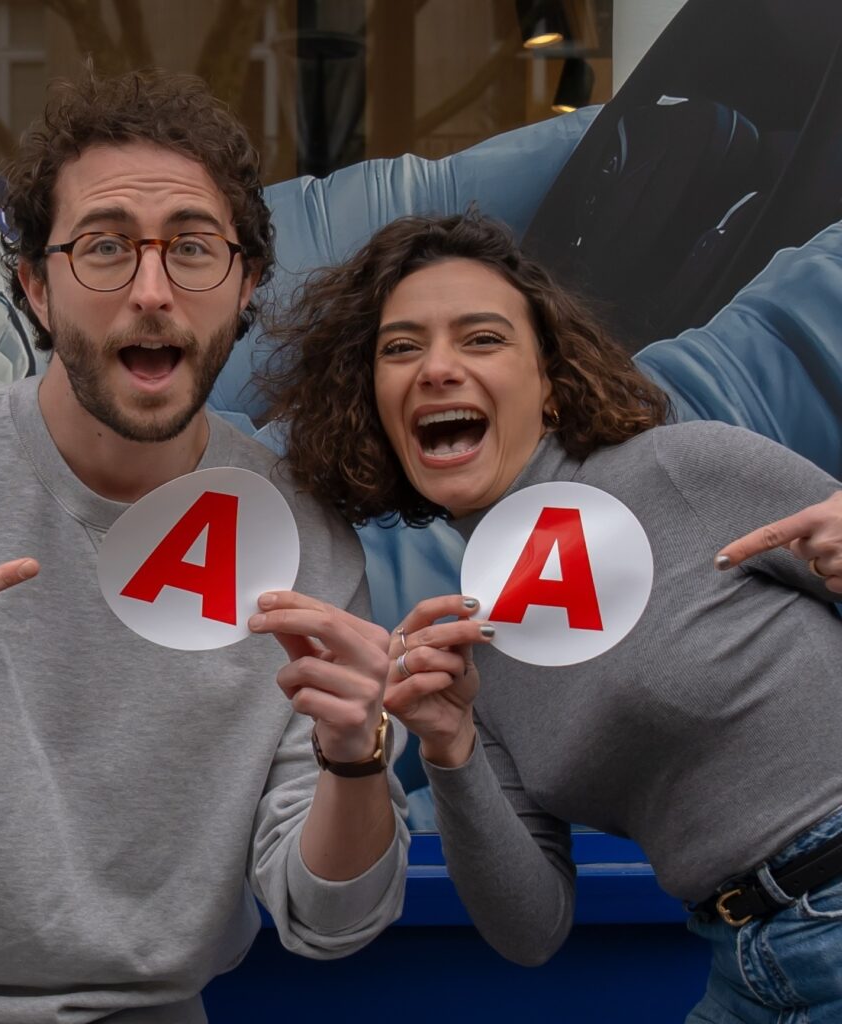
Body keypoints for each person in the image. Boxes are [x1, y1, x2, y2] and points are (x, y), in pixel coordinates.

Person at [0, 68, 408, 1024]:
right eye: (103, 248)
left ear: (247, 284)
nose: (151, 292)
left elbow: (330, 922)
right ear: (35, 288)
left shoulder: (303, 539)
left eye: (193, 249)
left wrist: (355, 756)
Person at [262, 212, 842, 1022]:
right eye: (400, 349)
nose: (437, 368)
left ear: (551, 381)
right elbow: (530, 930)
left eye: (482, 339)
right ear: (370, 404)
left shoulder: (687, 469)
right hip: (743, 959)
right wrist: (450, 746)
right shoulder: (472, 647)